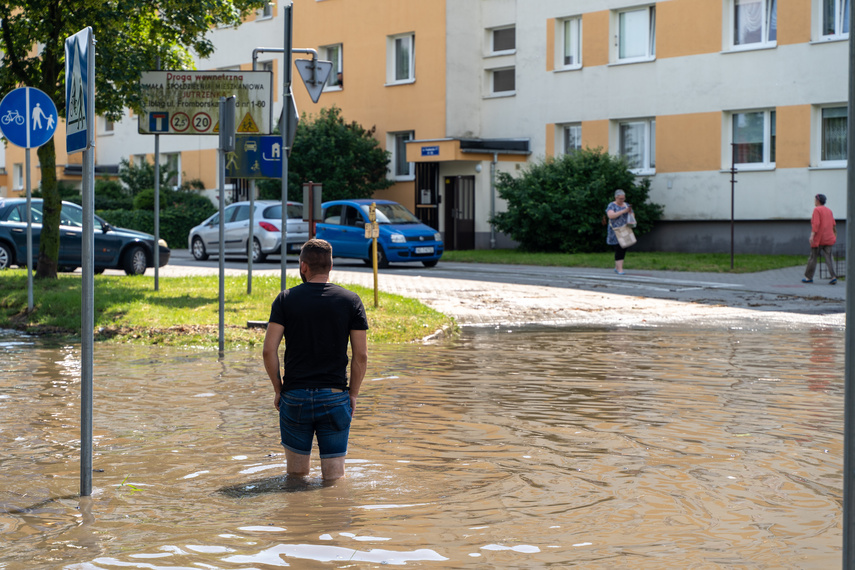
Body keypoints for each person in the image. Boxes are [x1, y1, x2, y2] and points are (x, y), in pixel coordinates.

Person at [262, 238, 369, 481]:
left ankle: (296, 516)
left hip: (295, 396)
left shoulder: (285, 299)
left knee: (296, 478)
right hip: (334, 395)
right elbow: (360, 356)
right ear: (331, 267)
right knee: (334, 480)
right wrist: (353, 394)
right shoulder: (351, 301)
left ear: (303, 267)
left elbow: (269, 350)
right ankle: (332, 516)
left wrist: (278, 389)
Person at [802, 194, 838, 285]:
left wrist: (812, 235)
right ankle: (833, 277)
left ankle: (808, 277)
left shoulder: (817, 210)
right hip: (829, 238)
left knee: (813, 258)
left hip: (819, 239)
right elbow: (833, 224)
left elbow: (816, 224)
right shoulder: (829, 211)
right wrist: (834, 235)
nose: (814, 201)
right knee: (829, 258)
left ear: (818, 201)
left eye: (815, 200)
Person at [606, 189, 633, 275]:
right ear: (616, 198)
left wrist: (630, 214)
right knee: (619, 247)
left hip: (625, 229)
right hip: (616, 230)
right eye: (620, 199)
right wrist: (623, 211)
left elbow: (632, 214)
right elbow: (611, 215)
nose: (622, 200)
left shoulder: (626, 205)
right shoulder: (611, 205)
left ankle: (617, 267)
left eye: (623, 198)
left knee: (624, 247)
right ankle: (619, 269)